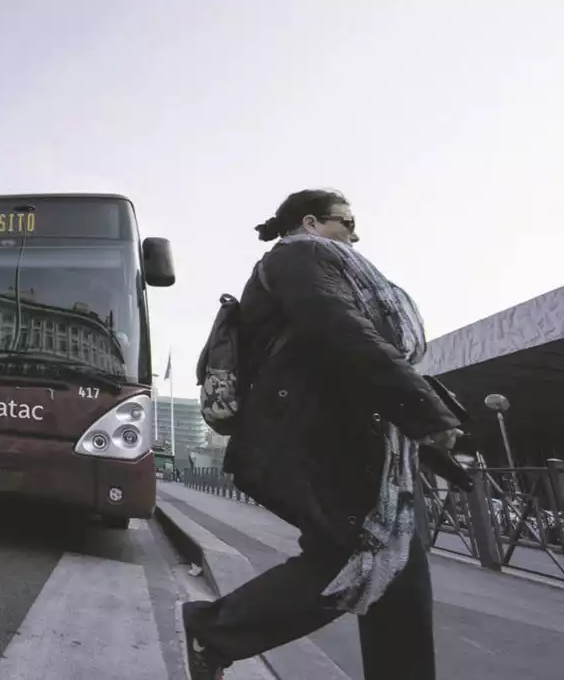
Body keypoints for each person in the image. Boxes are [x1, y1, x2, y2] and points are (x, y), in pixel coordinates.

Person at [182, 189, 473, 680]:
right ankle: (212, 631)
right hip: (320, 445)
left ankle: (214, 632)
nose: (355, 234)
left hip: (354, 447)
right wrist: (428, 414)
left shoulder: (319, 262)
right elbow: (345, 332)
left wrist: (419, 430)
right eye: (347, 222)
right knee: (362, 562)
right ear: (312, 222)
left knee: (392, 573)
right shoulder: (300, 256)